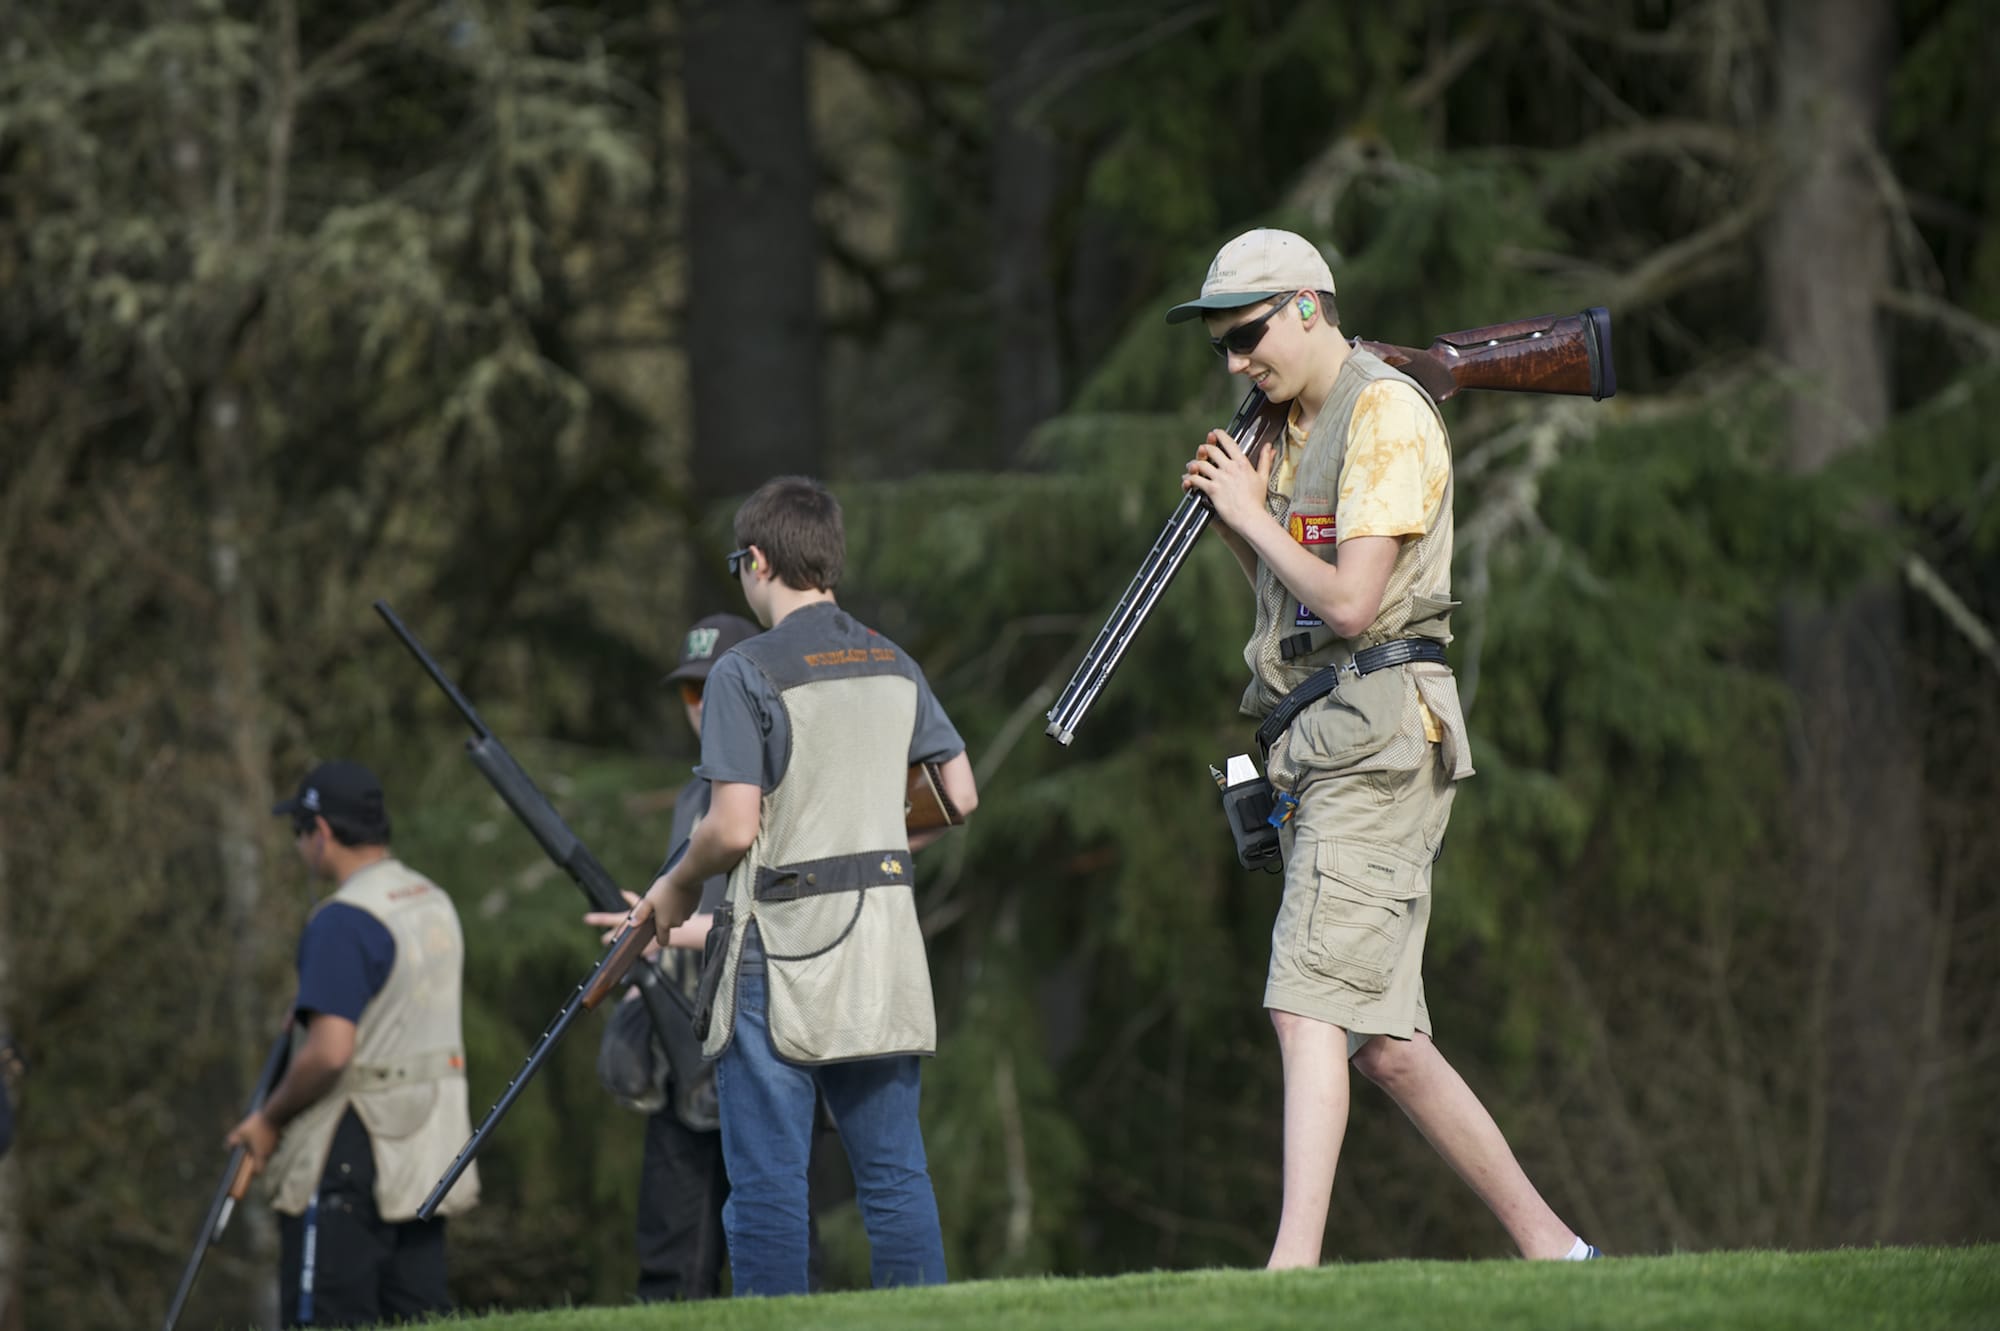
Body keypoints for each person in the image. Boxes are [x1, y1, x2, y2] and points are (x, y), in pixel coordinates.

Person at [1173, 228, 1599, 1266]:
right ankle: (1558, 1253)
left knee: (1301, 1001)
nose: (1236, 363)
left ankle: (1290, 1273)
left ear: (1310, 306)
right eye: (1221, 346)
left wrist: (1245, 507)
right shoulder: (1307, 422)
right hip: (1326, 739)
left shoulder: (1385, 410)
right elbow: (1299, 608)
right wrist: (1242, 523)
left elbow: (1357, 605)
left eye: (1248, 335)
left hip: (1374, 740)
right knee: (1389, 1047)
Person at [630, 476, 979, 1297]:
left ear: (756, 560)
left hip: (779, 952)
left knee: (768, 1182)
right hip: (883, 946)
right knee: (894, 1176)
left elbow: (732, 827)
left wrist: (675, 882)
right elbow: (960, 794)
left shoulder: (743, 670)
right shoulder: (894, 660)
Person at [228, 759, 479, 1327]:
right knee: (418, 1314)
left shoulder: (343, 920)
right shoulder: (431, 900)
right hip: (424, 1155)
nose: (299, 847)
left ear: (321, 833)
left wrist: (268, 1119)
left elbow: (330, 1052)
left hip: (348, 1157)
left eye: (299, 832)